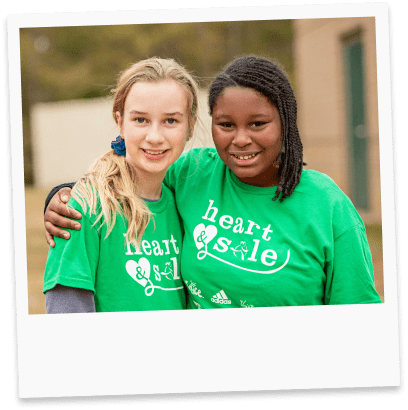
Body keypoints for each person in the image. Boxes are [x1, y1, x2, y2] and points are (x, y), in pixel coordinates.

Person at [44, 56, 381, 308]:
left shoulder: (327, 205)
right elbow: (134, 177)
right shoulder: (195, 174)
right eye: (226, 124)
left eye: (259, 123)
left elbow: (359, 317)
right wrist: (62, 197)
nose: (241, 140)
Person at [43, 57, 199, 313]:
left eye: (171, 121)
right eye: (140, 120)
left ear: (190, 126)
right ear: (120, 121)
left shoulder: (184, 206)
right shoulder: (87, 205)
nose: (155, 137)